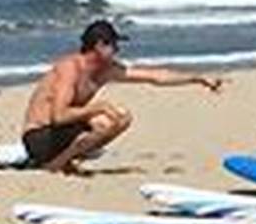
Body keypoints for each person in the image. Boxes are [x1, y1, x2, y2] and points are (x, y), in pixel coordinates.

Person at [21, 20, 227, 173]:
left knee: (121, 117)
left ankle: (62, 161)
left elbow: (154, 76)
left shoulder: (105, 69)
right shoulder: (69, 69)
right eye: (114, 45)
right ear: (99, 46)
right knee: (104, 119)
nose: (117, 50)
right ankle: (55, 164)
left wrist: (197, 78)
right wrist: (97, 107)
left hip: (63, 131)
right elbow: (59, 116)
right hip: (39, 137)